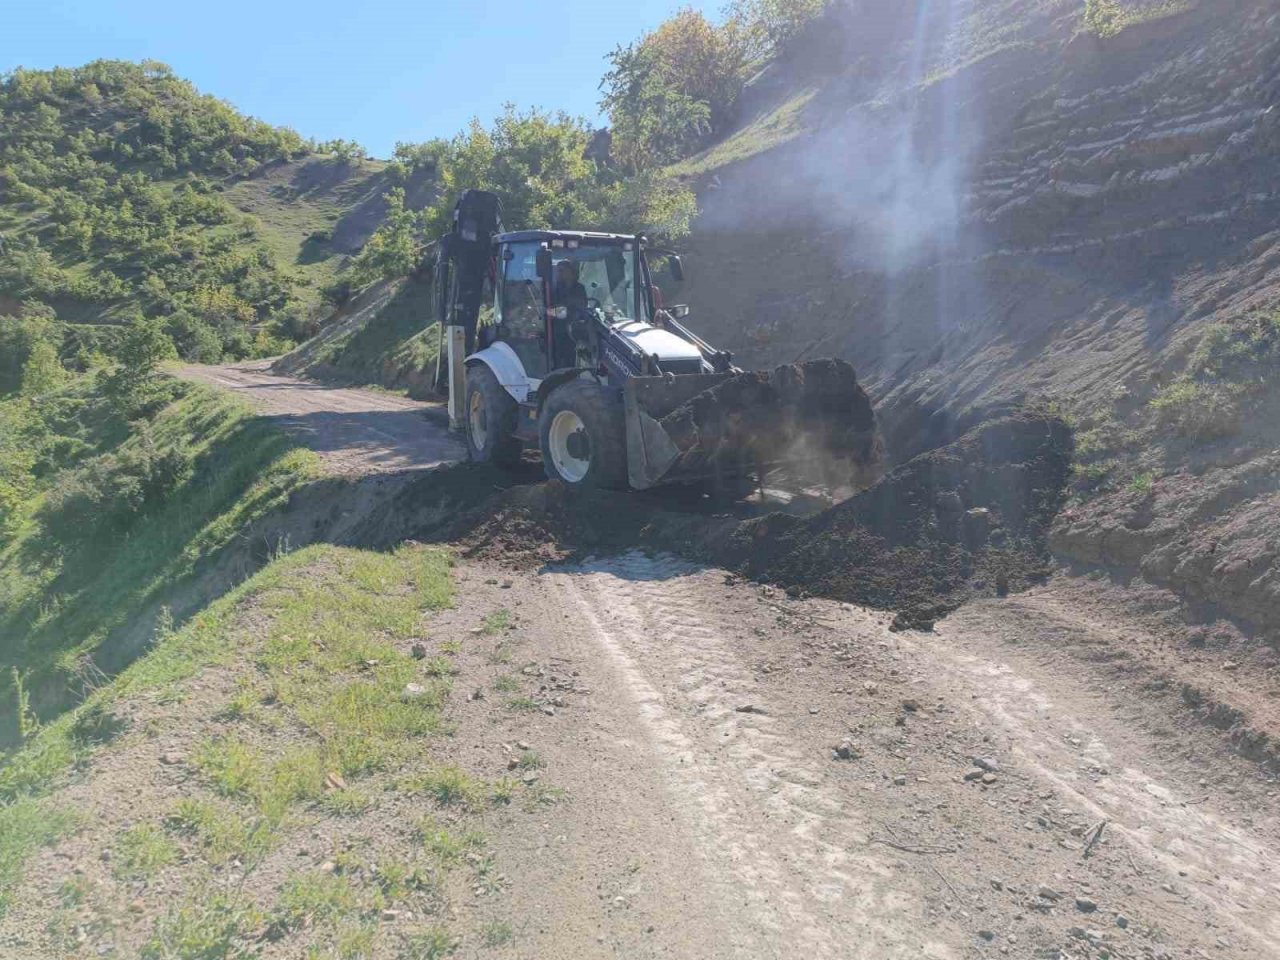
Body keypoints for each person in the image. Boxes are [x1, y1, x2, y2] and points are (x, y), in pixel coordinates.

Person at [551, 259, 589, 368]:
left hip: (575, 332)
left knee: (571, 361)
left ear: (570, 272)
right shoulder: (553, 289)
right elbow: (550, 310)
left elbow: (582, 307)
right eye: (557, 271)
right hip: (556, 332)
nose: (558, 273)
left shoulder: (579, 288)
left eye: (562, 270)